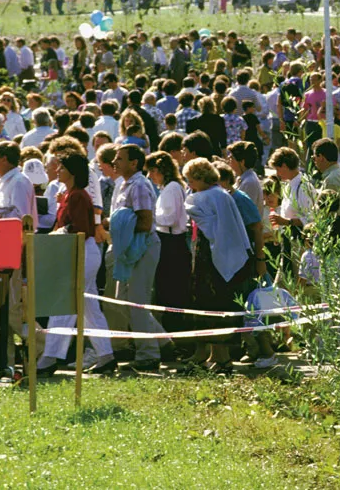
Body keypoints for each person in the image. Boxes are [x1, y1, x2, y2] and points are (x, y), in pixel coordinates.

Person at [37, 153, 115, 375]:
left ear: (71, 171)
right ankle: (106, 355)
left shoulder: (78, 196)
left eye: (61, 167)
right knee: (90, 309)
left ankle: (50, 357)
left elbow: (80, 228)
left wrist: (55, 235)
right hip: (79, 251)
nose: (58, 171)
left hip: (81, 251)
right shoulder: (72, 194)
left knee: (64, 303)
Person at [182, 158, 253, 373]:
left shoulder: (206, 197)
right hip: (217, 254)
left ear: (200, 178)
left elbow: (209, 224)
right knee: (216, 304)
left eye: (190, 180)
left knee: (213, 304)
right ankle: (215, 354)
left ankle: (222, 358)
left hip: (211, 257)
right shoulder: (222, 194)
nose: (189, 185)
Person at [108, 144, 166, 370]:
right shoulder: (122, 184)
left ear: (134, 163)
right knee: (123, 299)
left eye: (120, 159)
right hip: (129, 248)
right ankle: (162, 341)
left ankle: (149, 355)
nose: (115, 162)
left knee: (136, 302)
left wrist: (119, 230)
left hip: (142, 247)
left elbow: (144, 221)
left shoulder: (139, 185)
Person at [145, 151, 192, 339]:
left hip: (172, 243)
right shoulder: (168, 188)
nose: (150, 176)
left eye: (152, 171)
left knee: (172, 290)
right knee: (166, 290)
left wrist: (150, 216)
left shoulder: (172, 188)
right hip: (168, 241)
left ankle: (176, 334)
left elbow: (170, 219)